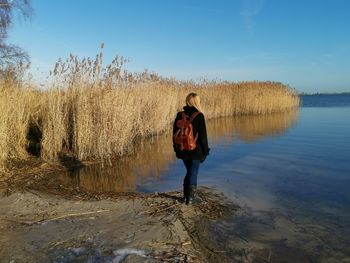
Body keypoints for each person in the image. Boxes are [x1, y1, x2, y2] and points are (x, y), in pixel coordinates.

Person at [173, 93, 210, 205]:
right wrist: (206, 151)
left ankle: (185, 197)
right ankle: (191, 199)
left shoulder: (180, 115)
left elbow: (174, 134)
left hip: (182, 149)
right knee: (193, 172)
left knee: (189, 171)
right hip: (195, 150)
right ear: (196, 102)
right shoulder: (199, 115)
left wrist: (176, 149)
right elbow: (203, 137)